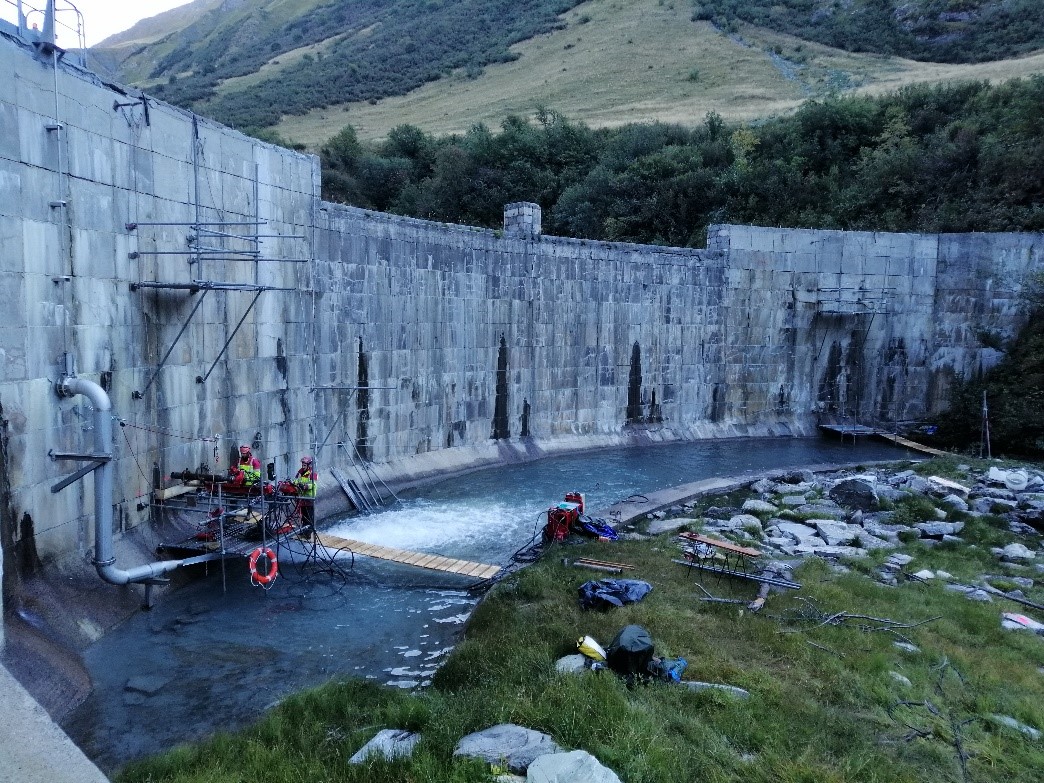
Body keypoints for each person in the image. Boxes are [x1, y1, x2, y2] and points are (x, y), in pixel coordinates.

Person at [293, 455, 318, 532]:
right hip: (302, 498)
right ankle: (304, 531)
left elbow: (313, 484)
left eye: (304, 465)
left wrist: (305, 486)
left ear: (308, 465)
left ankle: (309, 531)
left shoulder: (312, 473)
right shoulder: (300, 472)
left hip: (309, 498)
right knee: (303, 516)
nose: (303, 466)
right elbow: (296, 480)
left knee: (309, 516)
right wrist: (294, 483)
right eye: (302, 465)